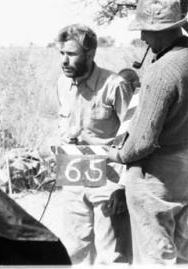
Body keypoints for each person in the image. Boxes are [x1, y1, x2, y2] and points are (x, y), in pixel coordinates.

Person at [106, 0, 188, 264]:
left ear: (158, 30)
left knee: (154, 254)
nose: (143, 37)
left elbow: (140, 142)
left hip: (156, 174)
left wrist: (116, 155)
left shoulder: (162, 70)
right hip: (185, 164)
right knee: (180, 249)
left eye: (145, 30)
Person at [54, 24, 133, 264]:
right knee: (75, 250)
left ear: (90, 54)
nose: (64, 61)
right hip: (74, 173)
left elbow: (132, 138)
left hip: (109, 178)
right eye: (62, 54)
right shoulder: (62, 84)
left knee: (111, 255)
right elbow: (62, 126)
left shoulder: (115, 85)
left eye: (72, 54)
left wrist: (123, 187)